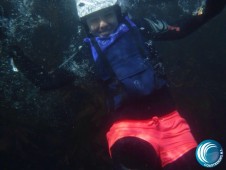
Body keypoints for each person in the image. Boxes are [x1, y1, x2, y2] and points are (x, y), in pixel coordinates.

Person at [10, 0, 226, 169]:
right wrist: (14, 51)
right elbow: (47, 82)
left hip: (174, 126)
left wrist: (214, 5)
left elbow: (182, 28)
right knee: (133, 158)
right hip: (128, 131)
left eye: (107, 15)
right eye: (93, 19)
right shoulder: (86, 54)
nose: (102, 24)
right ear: (84, 24)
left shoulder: (142, 29)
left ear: (118, 12)